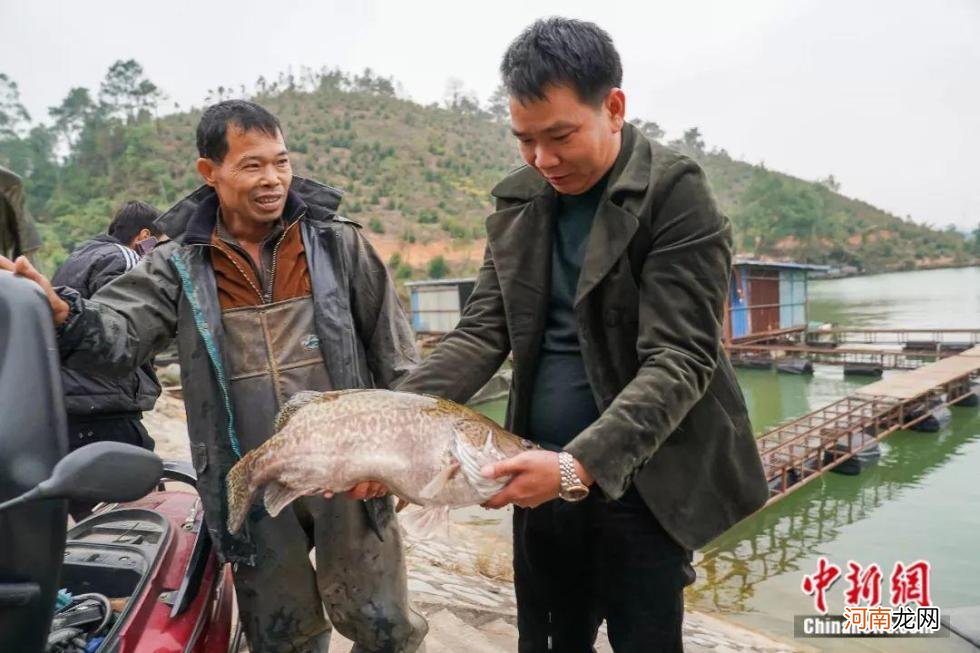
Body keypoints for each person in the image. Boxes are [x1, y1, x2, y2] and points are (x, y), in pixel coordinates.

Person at [396, 18, 769, 653]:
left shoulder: (674, 195)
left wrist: (579, 466)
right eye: (525, 141)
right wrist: (394, 419)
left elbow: (681, 358)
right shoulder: (519, 202)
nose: (543, 160)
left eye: (560, 136)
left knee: (644, 637)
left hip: (641, 478)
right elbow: (482, 332)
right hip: (529, 465)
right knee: (547, 636)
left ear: (614, 108)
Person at [1, 100, 426, 653]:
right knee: (283, 632)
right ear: (211, 172)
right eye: (253, 166)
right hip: (247, 480)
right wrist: (63, 313)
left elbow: (398, 356)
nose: (273, 179)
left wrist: (401, 457)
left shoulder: (336, 243)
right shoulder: (177, 263)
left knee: (382, 621)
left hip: (349, 474)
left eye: (282, 162)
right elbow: (118, 336)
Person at [50, 200, 165, 519]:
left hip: (70, 408)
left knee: (92, 521)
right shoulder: (127, 257)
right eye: (159, 244)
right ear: (145, 236)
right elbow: (127, 327)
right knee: (134, 516)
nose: (160, 256)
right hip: (106, 407)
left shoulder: (78, 257)